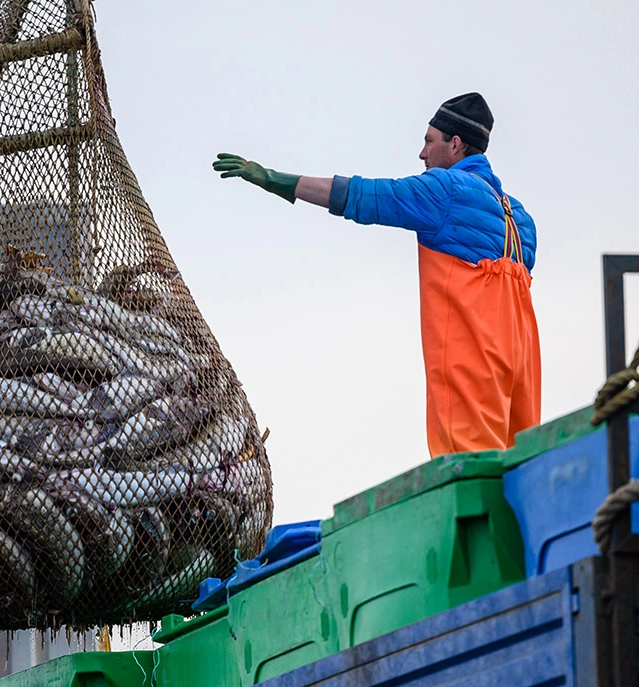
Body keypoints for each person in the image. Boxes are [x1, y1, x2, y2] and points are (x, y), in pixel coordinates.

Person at [212, 92, 540, 456]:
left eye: (429, 141)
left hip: (473, 361)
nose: (422, 154)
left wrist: (274, 179)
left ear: (456, 144)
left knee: (470, 469)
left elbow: (362, 196)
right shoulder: (521, 219)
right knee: (520, 466)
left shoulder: (445, 191)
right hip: (519, 366)